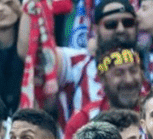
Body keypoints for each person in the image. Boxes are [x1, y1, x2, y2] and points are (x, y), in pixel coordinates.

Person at [46, 0, 140, 129]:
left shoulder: (151, 65)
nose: (120, 29)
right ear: (95, 29)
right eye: (111, 24)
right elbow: (34, 54)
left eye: (128, 23)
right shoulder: (76, 62)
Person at [59, 39, 144, 139]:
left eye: (133, 71)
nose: (129, 80)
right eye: (119, 73)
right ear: (102, 79)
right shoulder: (83, 121)